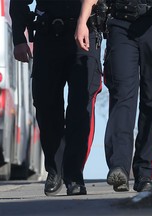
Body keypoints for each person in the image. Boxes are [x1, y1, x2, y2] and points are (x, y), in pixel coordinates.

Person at [76, 0, 152, 192]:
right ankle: (119, 167)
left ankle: (144, 173)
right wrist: (82, 21)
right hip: (121, 23)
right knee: (122, 95)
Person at [10, 0, 103, 196]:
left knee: (80, 107)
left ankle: (74, 174)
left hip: (84, 32)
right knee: (46, 104)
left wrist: (83, 22)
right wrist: (18, 38)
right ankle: (55, 169)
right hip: (48, 35)